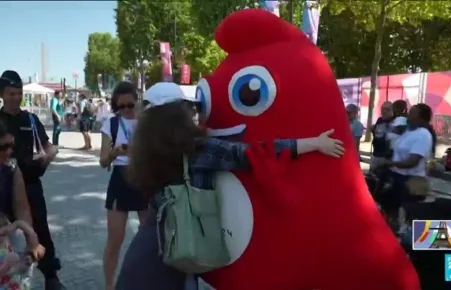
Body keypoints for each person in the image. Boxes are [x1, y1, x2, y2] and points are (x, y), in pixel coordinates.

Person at [115, 82, 344, 289]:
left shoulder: (145, 151)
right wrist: (315, 143)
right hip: (175, 256)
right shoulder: (197, 149)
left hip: (146, 251)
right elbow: (258, 153)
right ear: (178, 114)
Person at [0, 70, 64, 290]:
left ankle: (51, 276)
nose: (16, 97)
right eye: (11, 93)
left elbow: (48, 146)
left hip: (31, 183)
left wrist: (50, 154)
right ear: (2, 94)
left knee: (40, 229)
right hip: (4, 185)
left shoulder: (31, 119)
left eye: (19, 93)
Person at [99, 82, 148, 290]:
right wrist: (113, 153)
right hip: (120, 178)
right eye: (122, 106)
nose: (127, 110)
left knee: (149, 237)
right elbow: (102, 161)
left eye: (130, 104)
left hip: (144, 177)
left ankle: (147, 281)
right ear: (115, 106)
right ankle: (109, 286)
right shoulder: (110, 124)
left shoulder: (147, 122)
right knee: (115, 240)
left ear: (137, 101)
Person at [378, 103, 435, 217]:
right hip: (396, 176)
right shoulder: (408, 131)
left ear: (421, 117)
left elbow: (412, 162)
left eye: (412, 112)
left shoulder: (423, 135)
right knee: (386, 207)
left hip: (409, 180)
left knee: (401, 211)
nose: (408, 114)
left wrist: (389, 163)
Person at [370, 101, 394, 171]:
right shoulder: (380, 120)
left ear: (392, 110)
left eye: (387, 109)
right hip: (376, 153)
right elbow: (377, 135)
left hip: (386, 156)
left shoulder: (394, 121)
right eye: (383, 108)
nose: (384, 111)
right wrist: (373, 130)